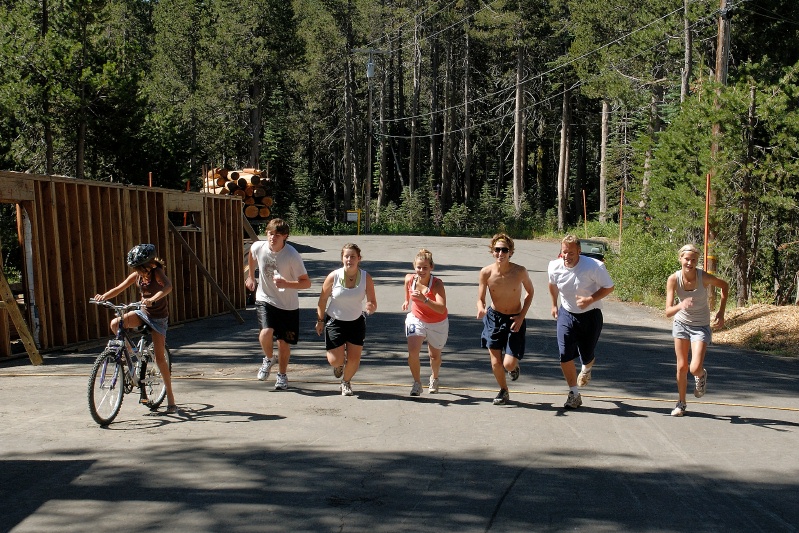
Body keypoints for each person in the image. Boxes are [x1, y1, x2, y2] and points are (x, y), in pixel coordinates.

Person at [94, 244, 177, 414]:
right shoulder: (136, 276)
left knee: (160, 359)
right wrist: (103, 297)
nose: (138, 272)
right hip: (143, 312)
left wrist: (153, 298)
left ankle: (171, 400)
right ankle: (132, 355)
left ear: (149, 264)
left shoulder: (157, 273)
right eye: (136, 269)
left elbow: (167, 287)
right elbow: (118, 288)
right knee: (115, 323)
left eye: (139, 268)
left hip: (158, 319)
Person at [547, 235, 615, 409]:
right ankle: (574, 394)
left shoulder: (594, 266)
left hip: (591, 316)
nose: (567, 256)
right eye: (564, 252)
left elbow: (609, 287)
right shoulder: (554, 266)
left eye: (571, 252)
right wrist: (554, 305)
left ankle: (586, 368)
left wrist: (590, 299)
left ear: (579, 251)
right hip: (566, 314)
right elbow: (552, 284)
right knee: (565, 355)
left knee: (587, 355)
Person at [246, 218, 311, 390]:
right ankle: (268, 358)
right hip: (265, 298)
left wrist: (287, 284)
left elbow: (306, 283)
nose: (272, 238)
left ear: (285, 237)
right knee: (265, 333)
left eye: (277, 235)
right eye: (270, 233)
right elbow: (251, 256)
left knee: (283, 343)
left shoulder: (292, 255)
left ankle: (282, 375)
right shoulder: (259, 247)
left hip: (288, 305)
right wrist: (251, 277)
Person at [665, 244, 728, 417]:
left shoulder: (704, 277)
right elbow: (668, 312)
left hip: (700, 326)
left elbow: (724, 286)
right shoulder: (673, 279)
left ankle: (701, 375)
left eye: (693, 260)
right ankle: (681, 403)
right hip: (681, 324)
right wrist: (681, 305)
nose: (690, 263)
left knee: (694, 368)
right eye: (687, 259)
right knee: (682, 366)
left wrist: (721, 312)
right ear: (680, 259)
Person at [476, 234, 534, 405]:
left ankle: (514, 367)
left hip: (515, 318)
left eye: (504, 250)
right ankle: (503, 390)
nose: (500, 253)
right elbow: (481, 298)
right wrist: (480, 308)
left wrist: (522, 316)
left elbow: (530, 292)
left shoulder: (519, 271)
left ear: (510, 252)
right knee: (495, 362)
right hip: (494, 317)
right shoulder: (486, 272)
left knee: (508, 364)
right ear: (492, 252)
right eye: (497, 250)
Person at [315, 243, 378, 396]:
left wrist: (371, 306)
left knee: (354, 360)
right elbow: (322, 300)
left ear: (359, 259)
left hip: (356, 322)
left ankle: (346, 382)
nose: (349, 259)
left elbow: (372, 301)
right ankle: (338, 364)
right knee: (335, 360)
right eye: (346, 256)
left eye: (353, 257)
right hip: (335, 321)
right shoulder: (333, 276)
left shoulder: (365, 277)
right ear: (342, 258)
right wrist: (320, 320)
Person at [402, 249, 449, 396]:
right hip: (416, 318)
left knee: (434, 356)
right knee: (413, 352)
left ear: (431, 267)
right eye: (418, 267)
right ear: (414, 267)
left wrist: (425, 299)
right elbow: (407, 288)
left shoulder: (436, 284)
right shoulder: (410, 279)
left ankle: (434, 378)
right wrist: (406, 300)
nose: (421, 271)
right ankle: (417, 383)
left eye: (425, 268)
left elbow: (441, 308)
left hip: (437, 322)